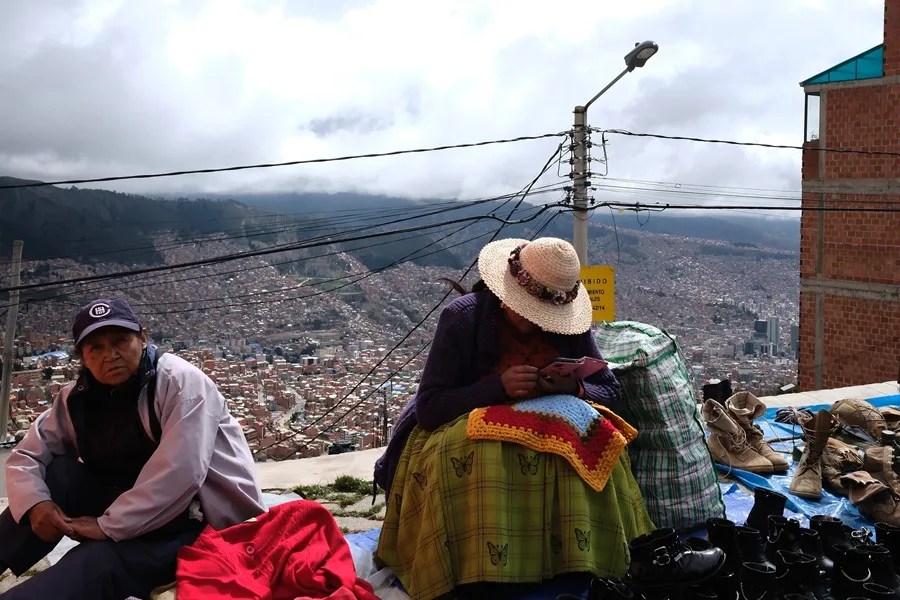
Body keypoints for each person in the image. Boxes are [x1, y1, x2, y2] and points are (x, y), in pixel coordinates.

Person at [374, 237, 655, 600]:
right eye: (528, 309)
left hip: (556, 413)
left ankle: (582, 559)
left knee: (600, 439)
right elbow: (430, 407)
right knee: (482, 453)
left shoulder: (568, 326)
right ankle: (480, 570)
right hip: (463, 417)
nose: (534, 320)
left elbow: (609, 389)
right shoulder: (463, 317)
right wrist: (497, 387)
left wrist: (575, 390)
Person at [0, 298, 266, 599]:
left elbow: (181, 474)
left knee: (98, 561)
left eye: (120, 341)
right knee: (59, 474)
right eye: (95, 348)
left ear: (143, 338)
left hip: (196, 523)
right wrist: (36, 505)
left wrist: (107, 526)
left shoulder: (180, 384)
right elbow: (27, 454)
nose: (110, 356)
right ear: (83, 357)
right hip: (127, 505)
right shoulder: (77, 399)